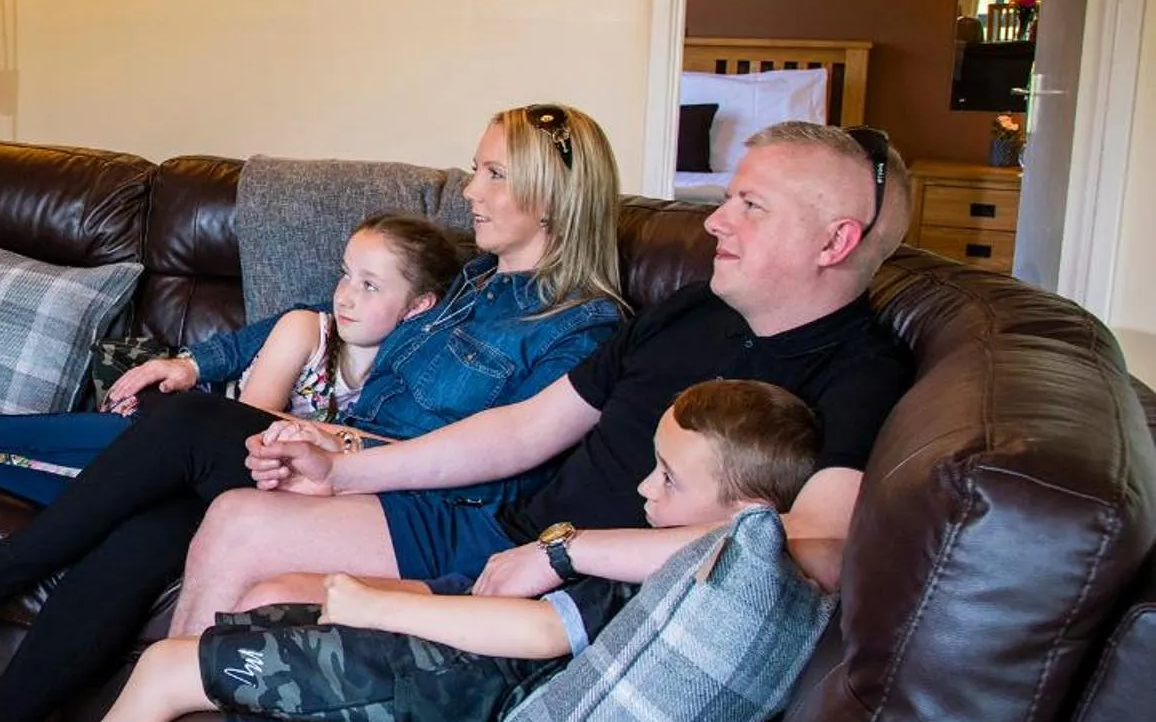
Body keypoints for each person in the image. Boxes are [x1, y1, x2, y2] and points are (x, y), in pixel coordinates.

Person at [0, 104, 627, 722]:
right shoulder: (468, 286)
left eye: (493, 175)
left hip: (430, 512)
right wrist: (199, 362)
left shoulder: (584, 327)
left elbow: (496, 463)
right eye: (475, 168)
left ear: (553, 197)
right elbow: (314, 325)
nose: (469, 191)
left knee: (186, 430)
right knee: (150, 524)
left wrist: (336, 455)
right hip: (341, 461)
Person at [0, 379, 822, 722]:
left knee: (171, 664)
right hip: (452, 676)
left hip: (452, 693)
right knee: (239, 603)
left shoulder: (651, 577)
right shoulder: (680, 558)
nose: (639, 486)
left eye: (666, 478)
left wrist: (370, 604)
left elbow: (525, 629)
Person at [168, 120, 914, 640]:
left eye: (749, 206)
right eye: (726, 200)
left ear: (836, 240)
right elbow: (525, 428)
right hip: (504, 533)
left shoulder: (864, 372)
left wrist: (569, 553)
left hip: (566, 592)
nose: (715, 223)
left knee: (268, 599)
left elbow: (820, 547)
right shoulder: (690, 311)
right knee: (241, 522)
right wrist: (342, 472)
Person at [0, 213, 466, 505]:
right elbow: (241, 433)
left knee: (126, 501)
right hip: (206, 435)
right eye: (345, 274)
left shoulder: (412, 381)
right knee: (140, 460)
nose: (345, 294)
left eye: (369, 285)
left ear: (419, 306)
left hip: (248, 477)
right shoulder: (306, 329)